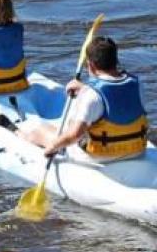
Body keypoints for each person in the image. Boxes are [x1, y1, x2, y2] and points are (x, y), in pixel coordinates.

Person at [20, 35, 148, 161]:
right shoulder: (137, 84)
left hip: (100, 157)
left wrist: (52, 147)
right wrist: (84, 88)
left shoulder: (91, 94)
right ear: (115, 60)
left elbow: (75, 135)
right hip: (137, 151)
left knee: (42, 131)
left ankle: (20, 136)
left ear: (90, 65)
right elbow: (116, 95)